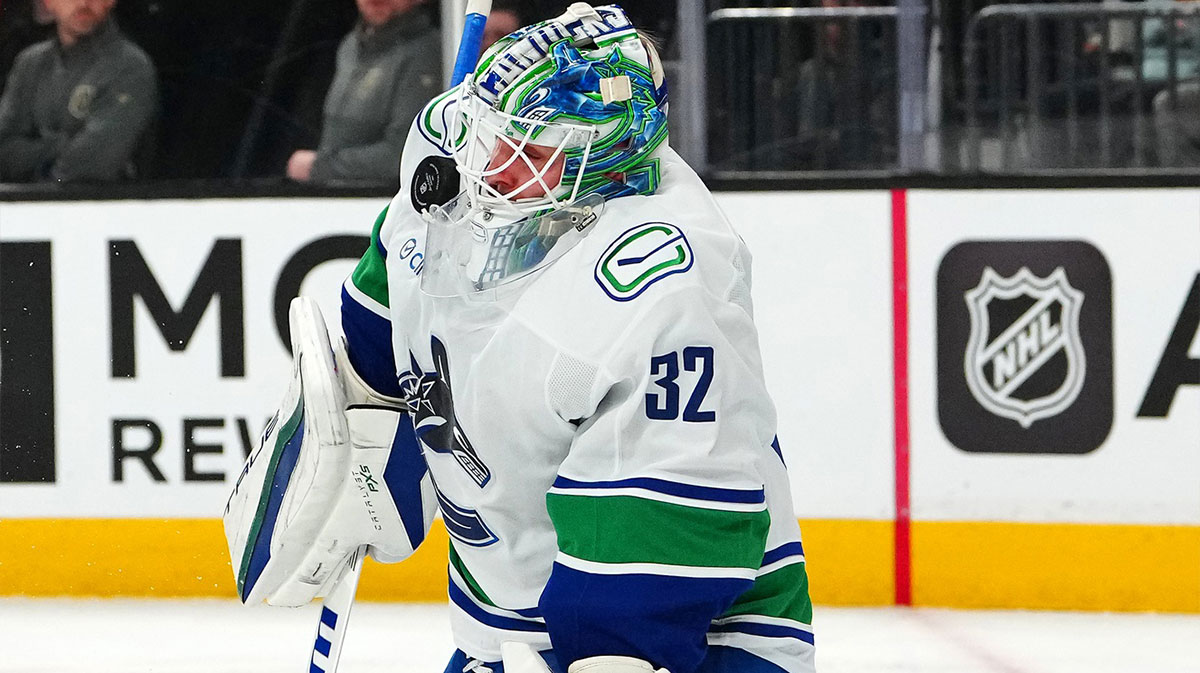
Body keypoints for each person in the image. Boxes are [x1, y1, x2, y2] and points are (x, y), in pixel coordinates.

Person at [229, 4, 814, 673]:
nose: (494, 168)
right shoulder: (457, 146)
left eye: (531, 153)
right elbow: (384, 316)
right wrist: (360, 428)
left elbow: (644, 579)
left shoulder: (662, 290)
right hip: (503, 624)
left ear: (602, 165)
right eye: (495, 136)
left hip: (694, 641)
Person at [286, 0, 441, 184]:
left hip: (381, 203)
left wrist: (319, 167)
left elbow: (404, 154)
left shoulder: (427, 53)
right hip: (332, 200)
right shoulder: (351, 45)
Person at [0, 0, 156, 182]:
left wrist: (36, 164)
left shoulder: (130, 67)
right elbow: (2, 148)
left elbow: (92, 165)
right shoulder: (30, 63)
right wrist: (62, 145)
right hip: (21, 204)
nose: (84, 3)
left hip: (104, 205)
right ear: (49, 3)